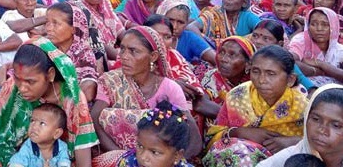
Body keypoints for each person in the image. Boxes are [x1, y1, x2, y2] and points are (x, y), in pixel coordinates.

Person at [0, 38, 99, 167]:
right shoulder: (11, 88)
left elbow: (82, 151)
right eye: (17, 78)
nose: (22, 88)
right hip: (17, 161)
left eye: (30, 82)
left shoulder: (72, 99)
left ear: (50, 74)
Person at [92, 27, 201, 167]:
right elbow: (95, 120)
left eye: (133, 51)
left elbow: (191, 134)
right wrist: (127, 159)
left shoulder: (169, 88)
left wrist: (169, 161)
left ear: (153, 56)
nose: (123, 56)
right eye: (123, 49)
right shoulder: (110, 81)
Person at [203, 46, 307, 166]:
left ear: (290, 80)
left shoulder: (301, 106)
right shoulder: (237, 96)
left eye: (271, 74)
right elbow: (211, 138)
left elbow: (320, 144)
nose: (261, 80)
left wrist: (294, 142)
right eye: (256, 71)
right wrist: (238, 133)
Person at [258, 84, 343, 167]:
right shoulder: (294, 155)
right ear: (306, 117)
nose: (322, 130)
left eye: (336, 125)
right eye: (316, 119)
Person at [117, 100, 195, 167]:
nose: (143, 157)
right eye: (140, 146)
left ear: (177, 156)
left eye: (154, 152)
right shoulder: (128, 163)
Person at [192, 0, 259, 47]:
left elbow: (265, 30)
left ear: (244, 3)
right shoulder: (213, 14)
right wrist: (207, 46)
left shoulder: (248, 17)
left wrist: (239, 42)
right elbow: (191, 27)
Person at [289, 7, 343, 86]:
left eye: (325, 24)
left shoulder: (339, 50)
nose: (319, 29)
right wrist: (317, 71)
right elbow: (290, 62)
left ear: (333, 26)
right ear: (308, 26)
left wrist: (321, 64)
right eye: (313, 24)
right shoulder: (301, 40)